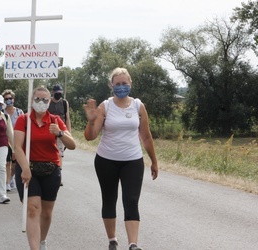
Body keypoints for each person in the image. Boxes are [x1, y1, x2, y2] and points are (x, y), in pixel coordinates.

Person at [83, 67, 158, 250]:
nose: (122, 87)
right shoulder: (105, 106)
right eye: (118, 84)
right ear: (111, 86)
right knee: (109, 199)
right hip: (106, 160)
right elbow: (90, 137)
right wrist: (92, 120)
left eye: (125, 83)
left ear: (131, 84)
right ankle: (112, 240)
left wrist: (154, 161)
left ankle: (133, 244)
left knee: (131, 201)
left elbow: (146, 137)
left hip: (132, 160)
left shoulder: (138, 106)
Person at [14, 86, 76, 250]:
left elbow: (73, 145)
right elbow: (17, 147)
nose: (41, 102)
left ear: (49, 102)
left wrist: (60, 133)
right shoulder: (23, 119)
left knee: (46, 213)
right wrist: (25, 169)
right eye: (37, 99)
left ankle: (42, 241)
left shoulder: (55, 120)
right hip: (28, 169)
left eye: (45, 100)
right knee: (33, 209)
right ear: (32, 100)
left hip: (51, 169)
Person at [48, 84, 71, 186]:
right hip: (49, 130)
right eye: (57, 93)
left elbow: (67, 118)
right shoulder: (48, 101)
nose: (58, 95)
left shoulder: (64, 103)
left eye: (60, 94)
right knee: (49, 152)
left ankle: (58, 176)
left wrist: (68, 134)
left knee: (59, 153)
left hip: (61, 131)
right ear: (53, 92)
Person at [2, 89, 24, 191]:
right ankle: (6, 183)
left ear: (13, 99)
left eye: (10, 98)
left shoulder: (19, 112)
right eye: (6, 99)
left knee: (14, 163)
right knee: (6, 163)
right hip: (5, 141)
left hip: (17, 141)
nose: (8, 100)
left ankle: (11, 177)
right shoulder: (2, 112)